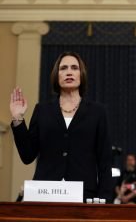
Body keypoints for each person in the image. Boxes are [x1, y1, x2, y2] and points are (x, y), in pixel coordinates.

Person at [10, 51, 113, 202]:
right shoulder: (42, 110)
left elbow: (105, 160)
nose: (69, 72)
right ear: (56, 76)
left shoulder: (97, 112)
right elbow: (27, 155)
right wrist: (17, 118)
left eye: (74, 68)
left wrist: (104, 198)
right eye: (63, 68)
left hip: (84, 194)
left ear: (81, 74)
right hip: (45, 192)